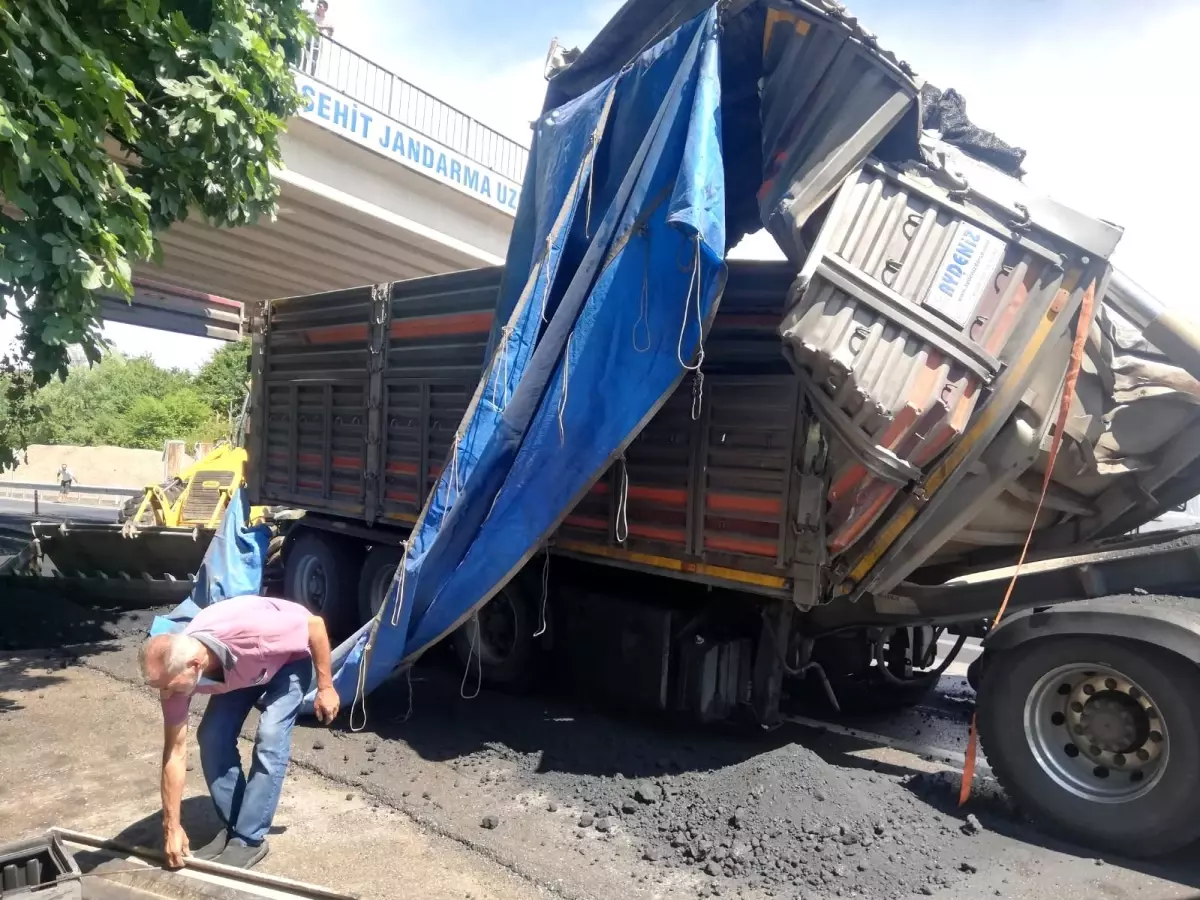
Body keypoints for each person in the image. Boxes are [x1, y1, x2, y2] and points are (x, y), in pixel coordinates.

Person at [137, 596, 341, 869]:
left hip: (287, 659)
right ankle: (235, 828)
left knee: (270, 736)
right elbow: (174, 751)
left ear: (196, 664)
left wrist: (326, 687)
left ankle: (249, 837)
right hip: (244, 670)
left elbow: (314, 626)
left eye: (171, 687)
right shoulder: (174, 675)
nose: (167, 694)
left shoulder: (250, 633)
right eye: (162, 688)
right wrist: (171, 827)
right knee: (211, 736)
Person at [304, 0, 334, 75]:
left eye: (320, 6)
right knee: (305, 58)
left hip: (316, 43)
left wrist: (331, 31)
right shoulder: (312, 15)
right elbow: (314, 26)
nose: (317, 7)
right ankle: (303, 72)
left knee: (314, 61)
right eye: (317, 5)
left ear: (325, 9)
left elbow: (330, 34)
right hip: (308, 40)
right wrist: (326, 27)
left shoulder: (326, 20)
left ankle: (312, 76)